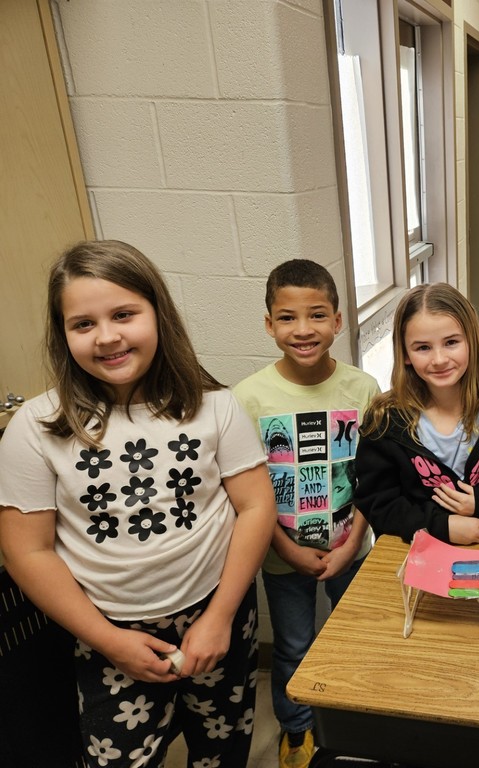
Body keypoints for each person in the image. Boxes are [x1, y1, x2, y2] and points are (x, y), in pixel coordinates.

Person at [0, 240, 276, 768]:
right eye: (83, 324)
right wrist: (109, 641)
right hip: (106, 629)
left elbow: (256, 507)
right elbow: (25, 553)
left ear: (158, 314)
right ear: (63, 334)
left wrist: (218, 618)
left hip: (219, 612)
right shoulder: (35, 428)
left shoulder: (216, 406)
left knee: (222, 748)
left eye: (124, 314)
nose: (107, 336)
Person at [233, 259, 380, 768]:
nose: (303, 330)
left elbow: (372, 479)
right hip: (282, 556)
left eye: (317, 315)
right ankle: (297, 732)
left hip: (352, 548)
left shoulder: (363, 389)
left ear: (338, 320)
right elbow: (247, 492)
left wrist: (352, 541)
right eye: (288, 318)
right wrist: (286, 549)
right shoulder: (247, 398)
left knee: (354, 638)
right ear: (269, 324)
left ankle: (355, 721)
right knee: (293, 647)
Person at [354, 283, 479, 545]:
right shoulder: (384, 422)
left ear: (471, 342)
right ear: (405, 354)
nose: (439, 359)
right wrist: (441, 525)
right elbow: (378, 503)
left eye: (451, 342)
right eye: (423, 348)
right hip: (415, 555)